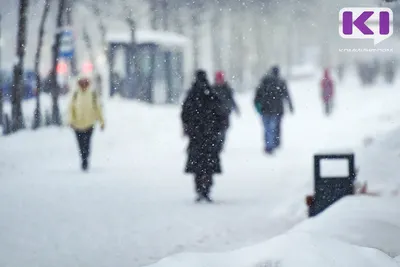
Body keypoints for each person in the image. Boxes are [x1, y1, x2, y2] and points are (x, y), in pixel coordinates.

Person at [181, 70, 226, 202]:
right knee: (208, 163)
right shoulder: (211, 94)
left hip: (196, 136)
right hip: (209, 136)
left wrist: (188, 128)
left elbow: (185, 113)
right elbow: (220, 113)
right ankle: (207, 187)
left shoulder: (191, 95)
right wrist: (217, 128)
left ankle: (199, 187)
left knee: (197, 163)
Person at [254, 66, 294, 154]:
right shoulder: (280, 82)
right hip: (276, 109)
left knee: (267, 128)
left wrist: (257, 107)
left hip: (265, 109)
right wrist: (290, 106)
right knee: (274, 127)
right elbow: (286, 95)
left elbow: (257, 96)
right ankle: (273, 143)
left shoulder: (264, 82)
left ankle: (269, 144)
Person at [68, 77, 105, 171]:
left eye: (86, 83)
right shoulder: (75, 94)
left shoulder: (92, 94)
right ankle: (83, 158)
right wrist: (70, 120)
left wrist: (102, 121)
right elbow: (70, 108)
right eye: (82, 83)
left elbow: (98, 108)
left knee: (87, 143)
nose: (84, 85)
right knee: (80, 144)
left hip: (89, 124)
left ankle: (86, 159)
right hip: (77, 124)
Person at [212, 71, 240, 151]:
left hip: (225, 113)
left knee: (223, 130)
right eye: (218, 79)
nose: (219, 81)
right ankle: (217, 144)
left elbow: (232, 99)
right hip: (215, 114)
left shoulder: (227, 88)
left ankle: (220, 145)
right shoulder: (213, 88)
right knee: (216, 130)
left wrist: (235, 108)